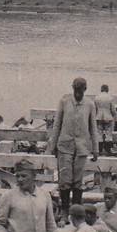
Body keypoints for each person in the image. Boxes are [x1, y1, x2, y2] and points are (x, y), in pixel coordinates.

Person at [47, 77, 99, 208]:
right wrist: (52, 146)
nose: (78, 95)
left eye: (80, 92)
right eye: (76, 91)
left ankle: (76, 211)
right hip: (64, 146)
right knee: (64, 181)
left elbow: (93, 128)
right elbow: (57, 125)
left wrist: (95, 149)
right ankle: (64, 211)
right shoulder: (64, 101)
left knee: (78, 181)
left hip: (81, 148)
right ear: (72, 89)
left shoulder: (90, 105)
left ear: (85, 90)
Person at [94, 83, 116, 157]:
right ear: (107, 90)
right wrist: (113, 115)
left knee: (99, 133)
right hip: (108, 117)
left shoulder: (96, 98)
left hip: (99, 117)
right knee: (108, 133)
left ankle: (99, 150)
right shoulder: (110, 98)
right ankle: (108, 150)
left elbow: (95, 109)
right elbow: (113, 110)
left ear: (101, 90)